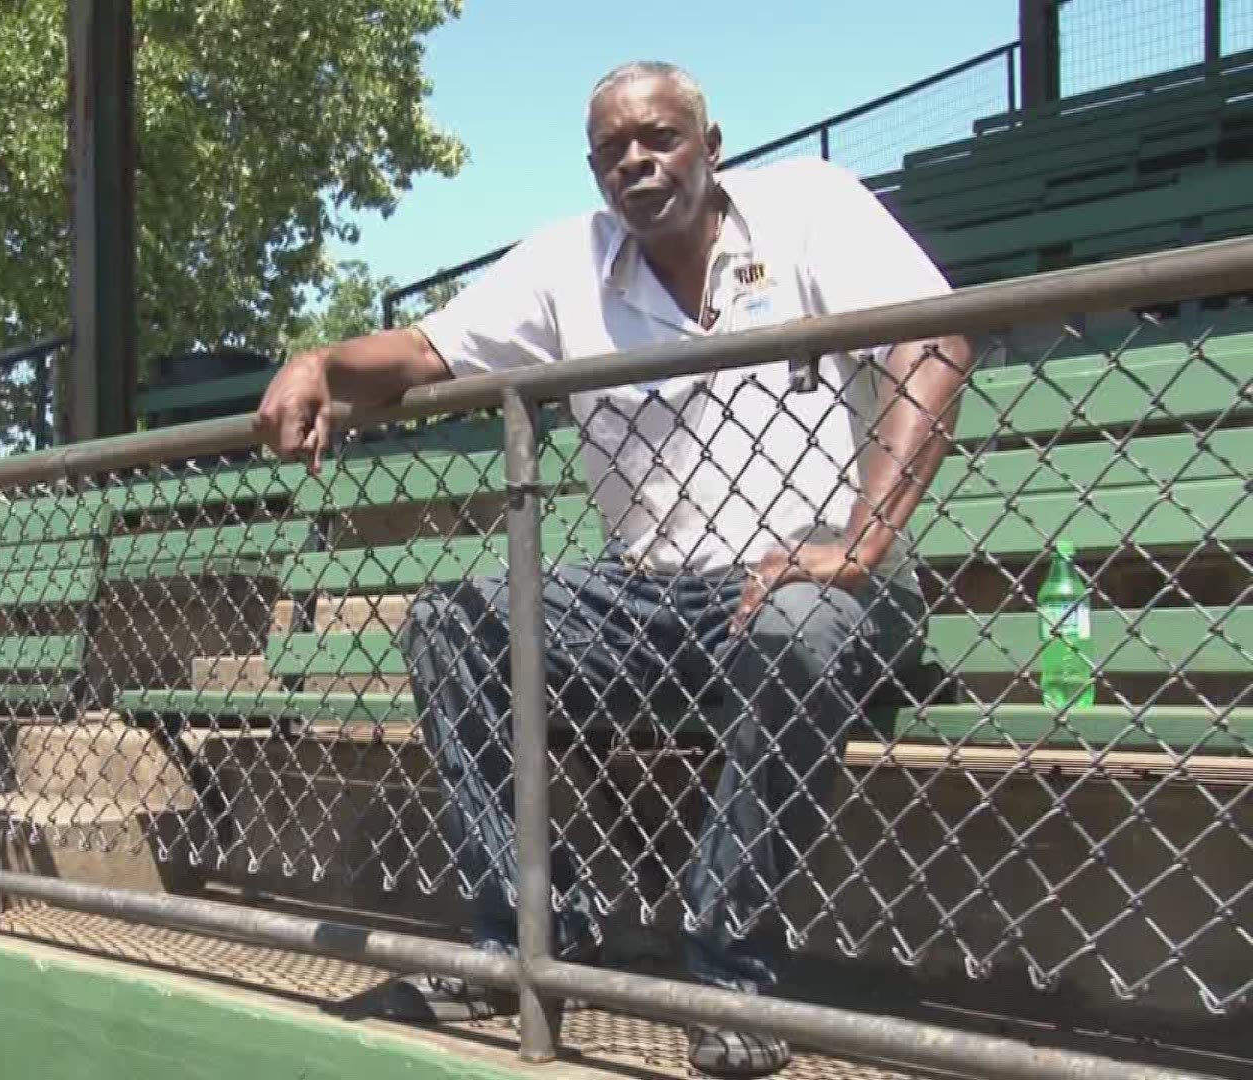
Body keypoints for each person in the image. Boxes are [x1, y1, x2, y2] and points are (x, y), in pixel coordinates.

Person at [253, 61, 974, 1078]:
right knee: (456, 622)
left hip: (820, 581)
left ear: (712, 146)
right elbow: (425, 352)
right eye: (612, 151)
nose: (636, 161)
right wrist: (320, 363)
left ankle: (727, 983)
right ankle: (528, 938)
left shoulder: (815, 208)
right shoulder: (569, 263)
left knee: (796, 625)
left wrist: (862, 541)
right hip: (652, 596)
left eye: (661, 137)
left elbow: (936, 342)